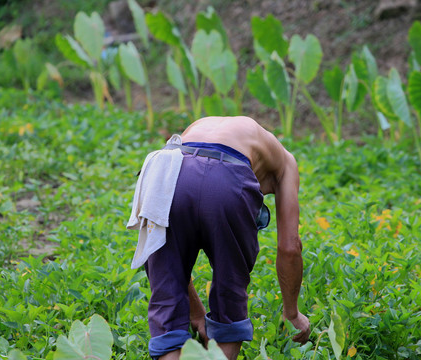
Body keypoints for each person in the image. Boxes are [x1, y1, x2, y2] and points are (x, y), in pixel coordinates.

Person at [130, 116, 310, 359]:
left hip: (167, 168)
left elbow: (171, 261)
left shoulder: (204, 125)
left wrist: (195, 314)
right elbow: (290, 247)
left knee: (167, 297)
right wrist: (292, 315)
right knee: (230, 295)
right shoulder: (286, 162)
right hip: (226, 175)